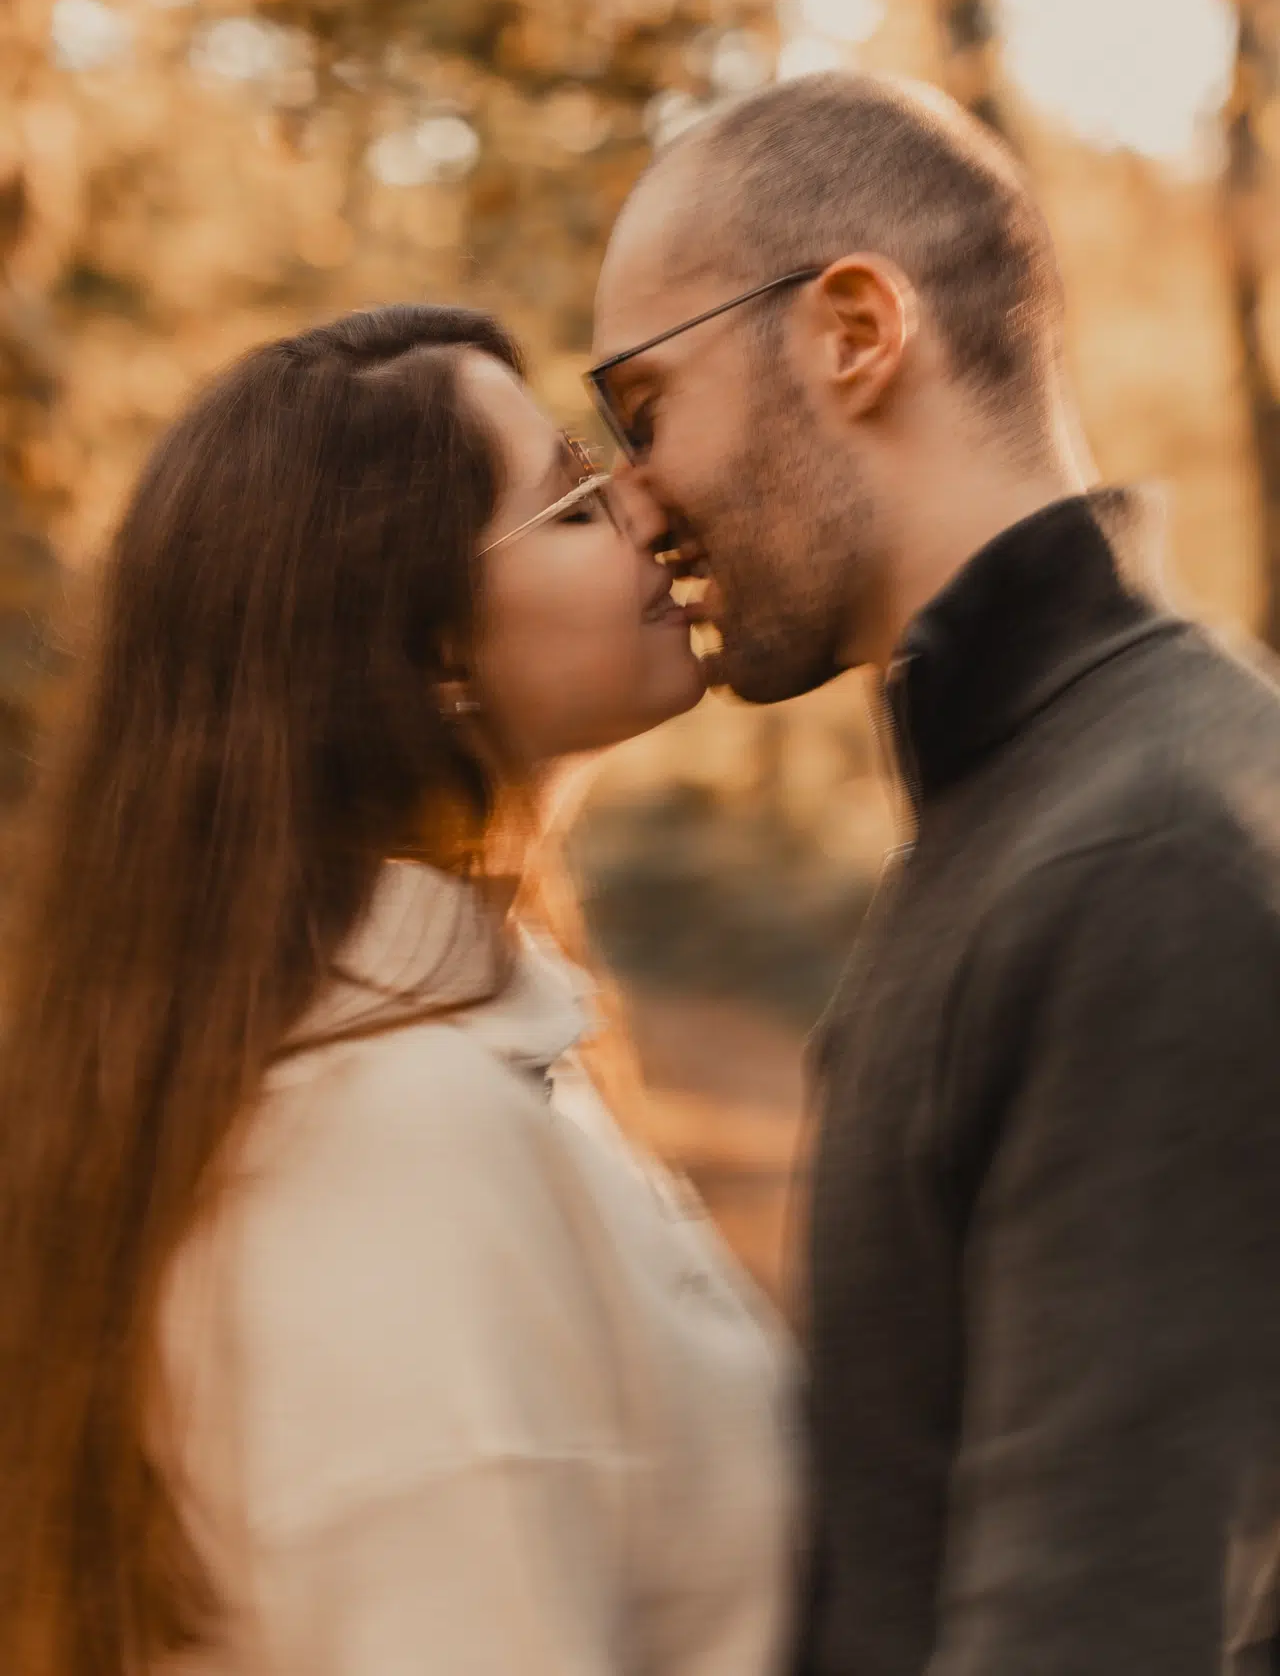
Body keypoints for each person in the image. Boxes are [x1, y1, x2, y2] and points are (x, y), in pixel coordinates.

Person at [589, 71, 1280, 1676]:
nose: (635, 500)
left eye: (645, 408)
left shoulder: (1147, 848)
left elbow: (1099, 1627)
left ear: (850, 332)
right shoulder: (1026, 801)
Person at [0, 305, 798, 1676]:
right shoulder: (388, 1143)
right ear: (424, 652)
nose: (650, 501)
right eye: (571, 505)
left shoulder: (466, 1057)